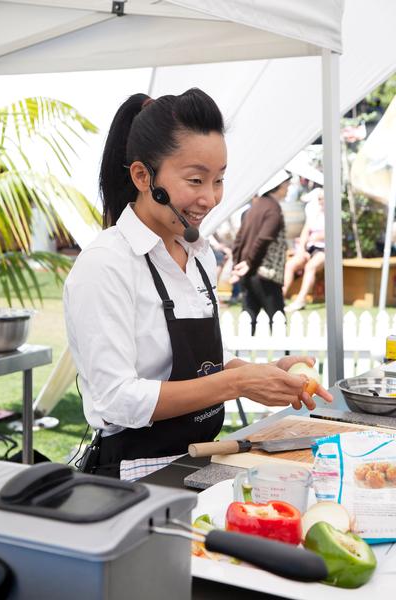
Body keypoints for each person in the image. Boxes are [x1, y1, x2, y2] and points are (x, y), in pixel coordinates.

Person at [64, 89, 332, 480]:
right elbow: (115, 400)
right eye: (195, 180)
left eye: (219, 180)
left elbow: (196, 368)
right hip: (134, 477)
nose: (210, 198)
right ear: (143, 176)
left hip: (201, 461)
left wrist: (262, 374)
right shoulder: (106, 264)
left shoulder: (201, 255)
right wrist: (235, 381)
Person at [230, 171, 291, 334]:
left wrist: (238, 265)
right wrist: (249, 262)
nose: (288, 189)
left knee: (248, 322)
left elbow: (239, 239)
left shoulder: (254, 207)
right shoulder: (273, 209)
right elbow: (264, 238)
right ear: (278, 187)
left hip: (249, 275)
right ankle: (285, 359)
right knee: (278, 321)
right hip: (265, 274)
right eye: (287, 185)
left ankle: (241, 358)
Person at [283, 188, 325, 312]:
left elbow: (333, 234)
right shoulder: (314, 211)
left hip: (325, 250)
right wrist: (302, 249)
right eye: (319, 198)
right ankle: (281, 295)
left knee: (310, 267)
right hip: (310, 247)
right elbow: (306, 231)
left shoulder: (333, 213)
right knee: (291, 265)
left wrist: (318, 236)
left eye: (322, 198)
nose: (320, 201)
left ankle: (301, 300)